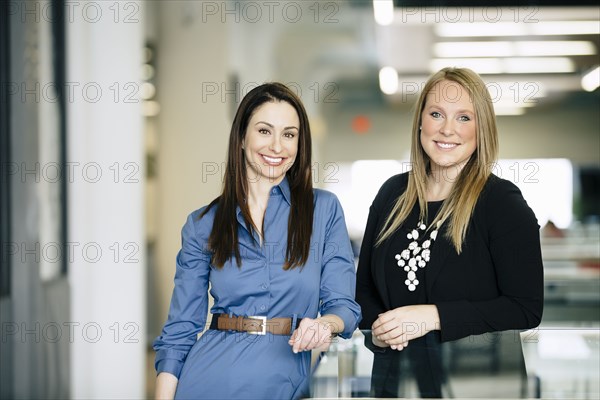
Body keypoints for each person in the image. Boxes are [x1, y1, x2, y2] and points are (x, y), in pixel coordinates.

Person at [153, 82, 361, 400]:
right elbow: (180, 330)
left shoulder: (324, 210)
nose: (277, 146)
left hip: (286, 379)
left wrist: (326, 325)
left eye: (289, 134)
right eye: (264, 131)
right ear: (241, 138)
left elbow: (343, 306)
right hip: (207, 380)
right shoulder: (202, 224)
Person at [356, 67, 544, 398]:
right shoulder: (391, 194)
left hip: (475, 383)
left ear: (481, 128)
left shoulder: (500, 201)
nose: (447, 129)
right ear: (420, 122)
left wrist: (433, 316)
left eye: (463, 118)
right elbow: (364, 292)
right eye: (436, 114)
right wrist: (378, 329)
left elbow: (525, 308)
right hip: (395, 380)